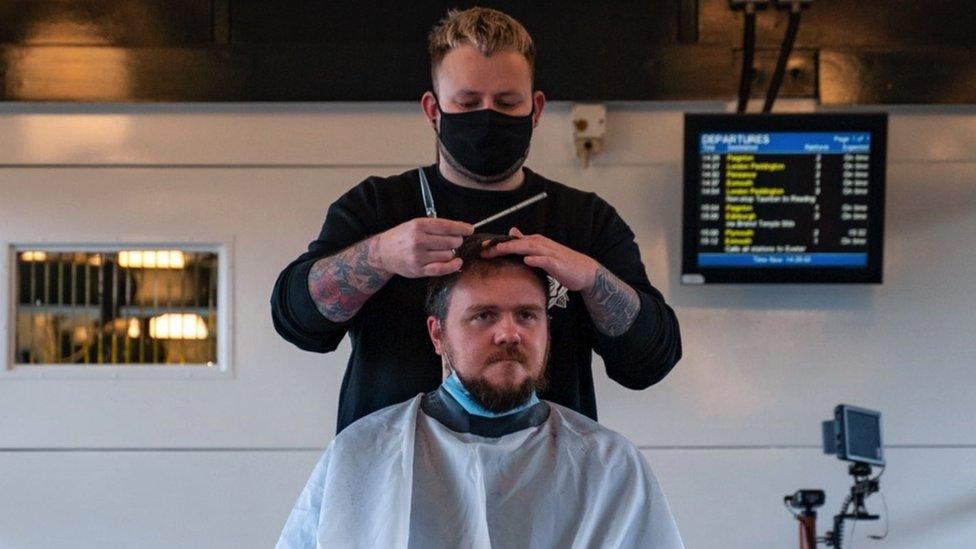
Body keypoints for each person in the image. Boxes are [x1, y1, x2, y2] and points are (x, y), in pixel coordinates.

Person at [270, 7, 681, 434]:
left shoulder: (584, 219)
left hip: (544, 480)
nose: (487, 118)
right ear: (433, 110)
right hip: (398, 478)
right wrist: (379, 256)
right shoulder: (378, 206)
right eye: (467, 103)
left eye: (507, 103)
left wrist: (591, 278)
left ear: (536, 109)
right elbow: (297, 320)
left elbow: (651, 360)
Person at [276, 235, 684, 549]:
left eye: (527, 315)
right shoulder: (364, 452)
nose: (509, 333)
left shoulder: (610, 464)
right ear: (438, 334)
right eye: (483, 315)